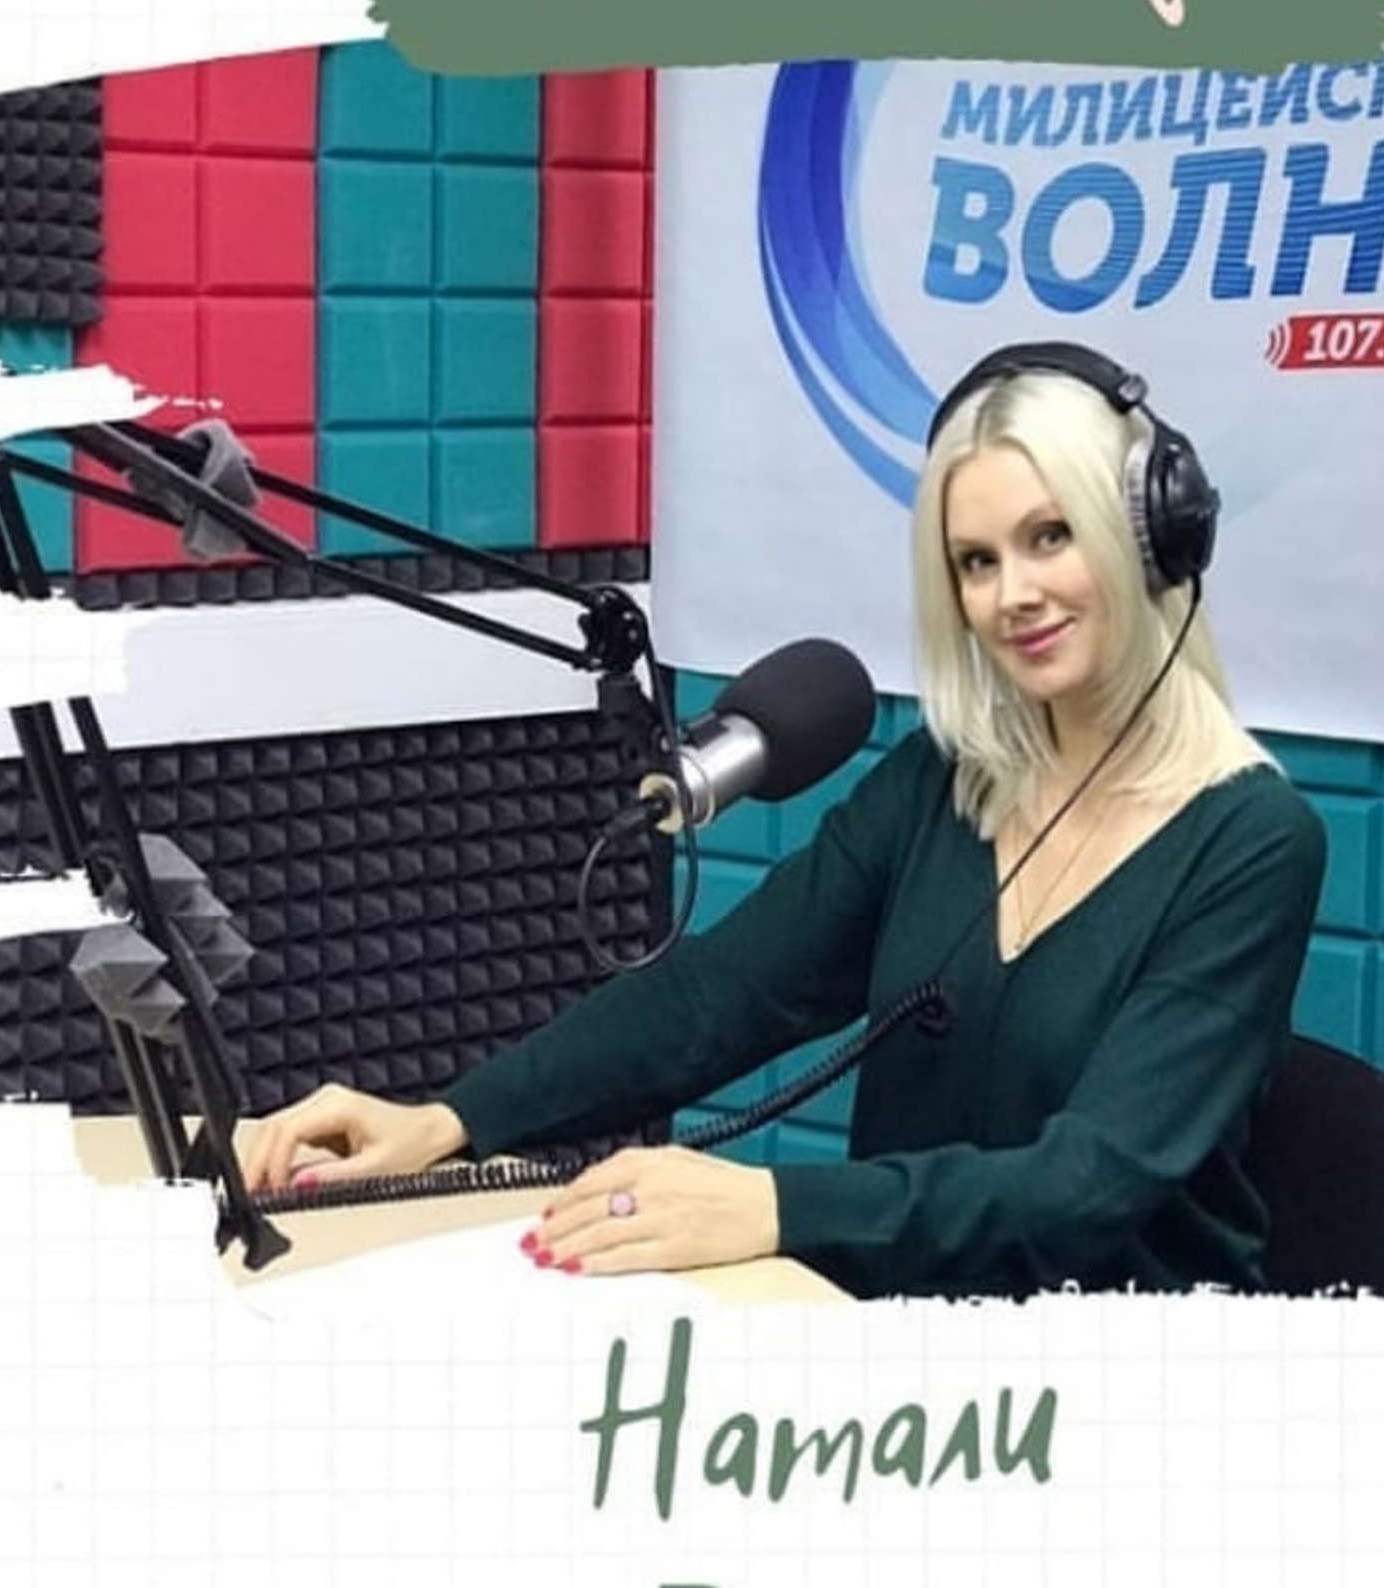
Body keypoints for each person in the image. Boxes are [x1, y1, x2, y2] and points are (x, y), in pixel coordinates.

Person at [241, 342, 1326, 1300]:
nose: (1013, 595)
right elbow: (720, 995)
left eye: (1052, 537)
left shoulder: (1251, 840)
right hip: (895, 1331)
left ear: (1151, 535)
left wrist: (770, 1206)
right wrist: (451, 1121)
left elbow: (1089, 1181)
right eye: (977, 561)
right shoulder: (944, 782)